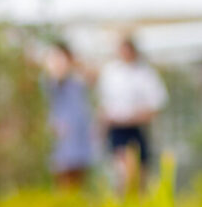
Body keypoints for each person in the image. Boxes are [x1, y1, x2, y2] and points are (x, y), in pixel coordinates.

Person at [97, 35, 166, 192]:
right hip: (117, 129)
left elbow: (156, 105)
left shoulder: (145, 74)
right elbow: (103, 106)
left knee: (140, 174)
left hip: (138, 129)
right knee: (123, 173)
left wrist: (135, 116)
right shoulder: (111, 73)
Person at [42, 42, 96, 188]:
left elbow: (92, 78)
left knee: (79, 172)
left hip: (79, 131)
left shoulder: (76, 80)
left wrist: (76, 64)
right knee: (62, 171)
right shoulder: (51, 80)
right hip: (61, 132)